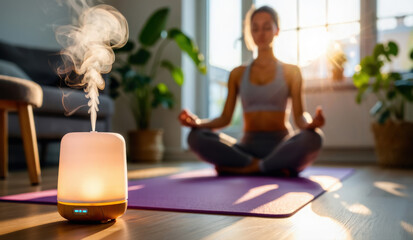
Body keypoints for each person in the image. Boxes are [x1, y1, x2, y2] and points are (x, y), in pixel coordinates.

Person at [178, 6, 325, 177]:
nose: (261, 33)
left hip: (281, 145)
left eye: (267, 27)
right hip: (246, 148)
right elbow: (225, 118)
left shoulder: (292, 71)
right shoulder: (237, 74)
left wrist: (310, 124)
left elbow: (300, 117)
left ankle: (250, 169)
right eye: (255, 28)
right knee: (195, 137)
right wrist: (197, 123)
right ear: (250, 33)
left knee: (314, 137)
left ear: (277, 30)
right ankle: (267, 167)